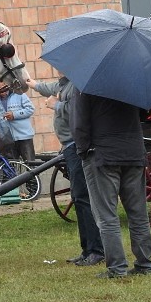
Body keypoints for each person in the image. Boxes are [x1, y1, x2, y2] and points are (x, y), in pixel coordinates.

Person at [71, 90, 151, 278]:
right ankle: (145, 264)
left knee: (106, 215)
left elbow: (79, 124)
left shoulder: (86, 85)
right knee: (138, 213)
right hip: (133, 152)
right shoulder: (132, 83)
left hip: (103, 155)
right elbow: (144, 113)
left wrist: (83, 151)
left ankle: (117, 268)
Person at [27, 76, 104, 266]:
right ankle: (87, 249)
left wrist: (57, 105)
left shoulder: (78, 85)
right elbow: (48, 87)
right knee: (78, 198)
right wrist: (30, 82)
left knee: (83, 197)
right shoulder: (65, 83)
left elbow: (77, 112)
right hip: (69, 147)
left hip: (77, 146)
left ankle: (96, 250)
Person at [0, 81, 36, 161]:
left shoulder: (19, 93)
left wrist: (14, 115)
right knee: (12, 166)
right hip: (9, 139)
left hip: (23, 136)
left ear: (4, 83)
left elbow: (30, 109)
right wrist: (2, 136)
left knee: (30, 164)